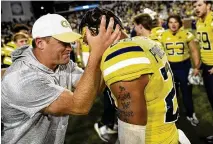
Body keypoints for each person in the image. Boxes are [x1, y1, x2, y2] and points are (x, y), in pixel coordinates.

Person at [1, 13, 121, 144]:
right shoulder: (22, 78)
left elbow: (94, 88)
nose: (69, 48)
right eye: (63, 42)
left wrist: (102, 53)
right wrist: (96, 55)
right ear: (40, 43)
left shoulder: (61, 63)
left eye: (69, 42)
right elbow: (79, 106)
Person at [79, 7, 179, 144]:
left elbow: (133, 132)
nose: (87, 45)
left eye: (86, 40)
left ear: (99, 32)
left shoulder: (120, 56)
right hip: (168, 133)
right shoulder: (144, 42)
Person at [77, 26, 118, 142]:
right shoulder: (85, 39)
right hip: (96, 64)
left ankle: (110, 122)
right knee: (108, 96)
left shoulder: (99, 38)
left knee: (111, 96)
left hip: (106, 67)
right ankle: (108, 122)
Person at [160, 15, 200, 126]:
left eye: (175, 22)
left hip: (184, 67)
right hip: (170, 67)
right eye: (171, 22)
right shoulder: (162, 35)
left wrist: (196, 66)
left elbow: (194, 51)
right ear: (167, 24)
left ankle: (190, 114)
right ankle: (174, 114)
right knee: (172, 93)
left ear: (179, 23)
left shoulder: (186, 34)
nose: (173, 24)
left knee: (187, 93)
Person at [193, 0, 213, 143]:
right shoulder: (199, 22)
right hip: (207, 67)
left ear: (209, 5)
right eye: (194, 6)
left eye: (199, 5)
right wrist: (199, 65)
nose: (196, 8)